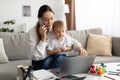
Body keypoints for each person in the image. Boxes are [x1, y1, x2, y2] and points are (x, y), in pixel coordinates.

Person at [28, 4, 87, 70]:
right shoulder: (32, 32)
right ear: (40, 20)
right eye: (46, 20)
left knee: (60, 59)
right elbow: (36, 57)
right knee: (53, 62)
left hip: (54, 58)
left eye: (52, 19)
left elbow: (69, 39)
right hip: (40, 61)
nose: (50, 23)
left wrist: (79, 47)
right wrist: (43, 38)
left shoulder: (54, 28)